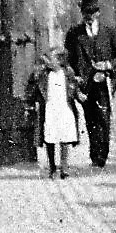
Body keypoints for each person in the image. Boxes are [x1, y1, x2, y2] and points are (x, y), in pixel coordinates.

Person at [64, 0, 116, 169]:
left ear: (98, 13)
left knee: (104, 118)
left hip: (104, 82)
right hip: (85, 84)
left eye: (92, 12)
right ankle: (95, 155)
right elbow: (68, 59)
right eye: (85, 12)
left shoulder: (109, 32)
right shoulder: (74, 34)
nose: (89, 16)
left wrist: (107, 65)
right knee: (90, 119)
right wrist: (74, 78)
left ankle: (102, 155)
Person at [28, 50, 81, 178]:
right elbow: (32, 87)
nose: (47, 62)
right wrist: (30, 102)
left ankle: (64, 167)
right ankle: (52, 167)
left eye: (50, 59)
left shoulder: (67, 72)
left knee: (65, 138)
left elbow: (73, 86)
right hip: (50, 109)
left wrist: (79, 94)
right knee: (50, 137)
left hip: (64, 107)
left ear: (59, 60)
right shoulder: (43, 74)